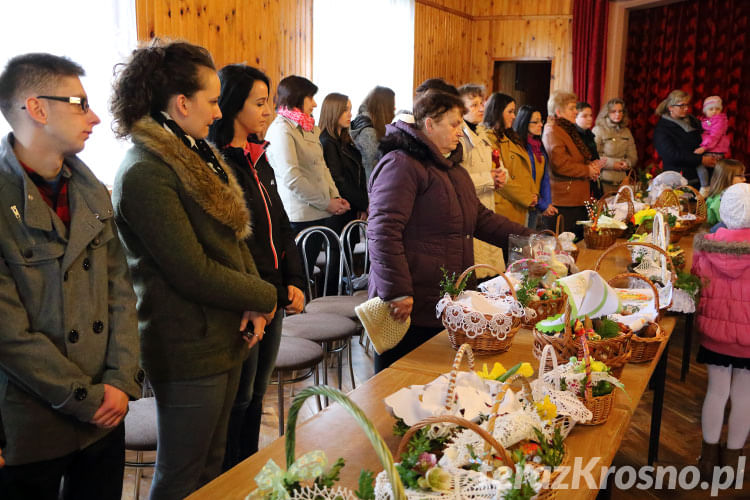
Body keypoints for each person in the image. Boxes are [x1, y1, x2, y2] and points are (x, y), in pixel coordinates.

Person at [110, 41, 277, 499]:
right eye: (211, 100)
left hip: (221, 333)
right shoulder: (145, 170)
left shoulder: (193, 152)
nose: (218, 111)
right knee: (181, 475)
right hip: (184, 343)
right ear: (181, 103)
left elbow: (232, 237)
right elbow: (192, 270)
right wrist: (265, 297)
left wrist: (253, 300)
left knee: (212, 468)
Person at [0, 53, 141, 500]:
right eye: (79, 103)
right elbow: (9, 336)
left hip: (105, 416)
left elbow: (121, 293)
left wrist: (120, 382)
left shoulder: (91, 190)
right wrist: (88, 398)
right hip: (32, 422)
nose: (95, 117)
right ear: (37, 108)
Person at [367, 90, 531, 373]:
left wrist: (530, 239)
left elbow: (480, 219)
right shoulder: (401, 164)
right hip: (411, 304)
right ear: (429, 124)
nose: (460, 131)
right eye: (454, 124)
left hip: (446, 300)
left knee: (439, 388)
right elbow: (382, 230)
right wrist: (397, 290)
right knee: (399, 387)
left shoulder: (453, 171)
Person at [207, 64, 306, 468]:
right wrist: (269, 293)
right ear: (231, 105)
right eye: (260, 102)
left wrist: (296, 280)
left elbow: (281, 226)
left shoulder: (257, 156)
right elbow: (235, 244)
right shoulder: (218, 164)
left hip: (275, 295)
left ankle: (249, 473)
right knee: (240, 398)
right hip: (250, 299)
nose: (268, 111)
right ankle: (233, 475)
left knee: (258, 392)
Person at [265, 75, 348, 295]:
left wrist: (335, 197)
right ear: (297, 98)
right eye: (310, 97)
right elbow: (292, 178)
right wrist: (326, 203)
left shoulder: (309, 127)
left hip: (318, 211)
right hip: (299, 217)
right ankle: (298, 326)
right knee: (298, 281)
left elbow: (321, 167)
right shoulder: (281, 129)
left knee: (308, 276)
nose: (314, 103)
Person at [693, 182, 750, 481]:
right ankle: (732, 462)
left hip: (714, 333)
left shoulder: (706, 245)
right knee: (744, 396)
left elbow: (696, 283)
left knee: (716, 392)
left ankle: (707, 459)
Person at [458, 83, 507, 276]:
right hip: (470, 211)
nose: (481, 108)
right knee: (476, 272)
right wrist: (488, 179)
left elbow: (498, 165)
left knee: (492, 273)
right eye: (474, 104)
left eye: (481, 103)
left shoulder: (483, 134)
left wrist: (502, 176)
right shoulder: (459, 137)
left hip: (488, 206)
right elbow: (457, 181)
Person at [542, 90, 605, 239]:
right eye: (571, 108)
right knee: (564, 246)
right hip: (564, 200)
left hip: (576, 197)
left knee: (576, 243)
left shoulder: (568, 129)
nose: (575, 111)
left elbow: (575, 159)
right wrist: (587, 170)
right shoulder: (553, 131)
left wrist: (591, 165)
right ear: (558, 111)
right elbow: (560, 165)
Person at [479, 93, 537, 226]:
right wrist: (527, 197)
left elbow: (525, 171)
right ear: (497, 112)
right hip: (504, 207)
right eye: (510, 111)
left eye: (514, 111)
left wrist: (533, 193)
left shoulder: (509, 136)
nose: (514, 116)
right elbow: (500, 177)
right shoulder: (488, 139)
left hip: (519, 204)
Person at [319, 92, 369, 226]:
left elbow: (358, 175)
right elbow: (339, 181)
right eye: (345, 110)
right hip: (338, 212)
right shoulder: (327, 142)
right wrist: (364, 204)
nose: (350, 114)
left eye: (350, 109)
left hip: (351, 208)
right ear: (333, 112)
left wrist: (361, 206)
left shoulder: (345, 141)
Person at [653, 89, 717, 187]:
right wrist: (700, 160)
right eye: (682, 105)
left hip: (702, 176)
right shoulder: (662, 128)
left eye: (687, 105)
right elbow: (671, 155)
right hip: (679, 179)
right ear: (671, 107)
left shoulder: (692, 120)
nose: (686, 108)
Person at [513, 105, 556, 229]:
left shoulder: (538, 145)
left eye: (541, 121)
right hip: (522, 203)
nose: (541, 125)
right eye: (535, 122)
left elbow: (545, 178)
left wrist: (547, 204)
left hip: (536, 204)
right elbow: (525, 179)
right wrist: (542, 204)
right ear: (524, 122)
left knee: (529, 241)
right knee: (520, 243)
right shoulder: (519, 146)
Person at [592, 98, 638, 195]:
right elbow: (593, 156)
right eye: (613, 111)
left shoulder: (626, 132)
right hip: (603, 182)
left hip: (622, 182)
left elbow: (633, 156)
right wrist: (613, 164)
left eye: (620, 111)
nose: (618, 114)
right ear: (607, 113)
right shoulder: (598, 130)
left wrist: (627, 163)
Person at [350, 86, 395, 180]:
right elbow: (370, 172)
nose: (394, 108)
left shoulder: (367, 125)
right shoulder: (369, 133)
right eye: (392, 105)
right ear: (383, 107)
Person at [695, 95, 731, 196]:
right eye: (711, 109)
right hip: (710, 149)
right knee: (706, 169)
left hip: (715, 150)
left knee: (699, 164)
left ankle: (705, 187)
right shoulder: (705, 121)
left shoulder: (719, 120)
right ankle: (708, 187)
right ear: (705, 111)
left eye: (717, 109)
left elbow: (715, 136)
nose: (714, 111)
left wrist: (703, 147)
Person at [705, 159, 746, 226]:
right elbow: (725, 223)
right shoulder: (721, 198)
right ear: (727, 177)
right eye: (741, 176)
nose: (744, 179)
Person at [575, 102, 602, 199]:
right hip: (579, 182)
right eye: (584, 116)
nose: (590, 118)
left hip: (592, 179)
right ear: (575, 117)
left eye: (590, 115)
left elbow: (595, 155)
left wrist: (597, 164)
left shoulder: (589, 134)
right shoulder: (574, 136)